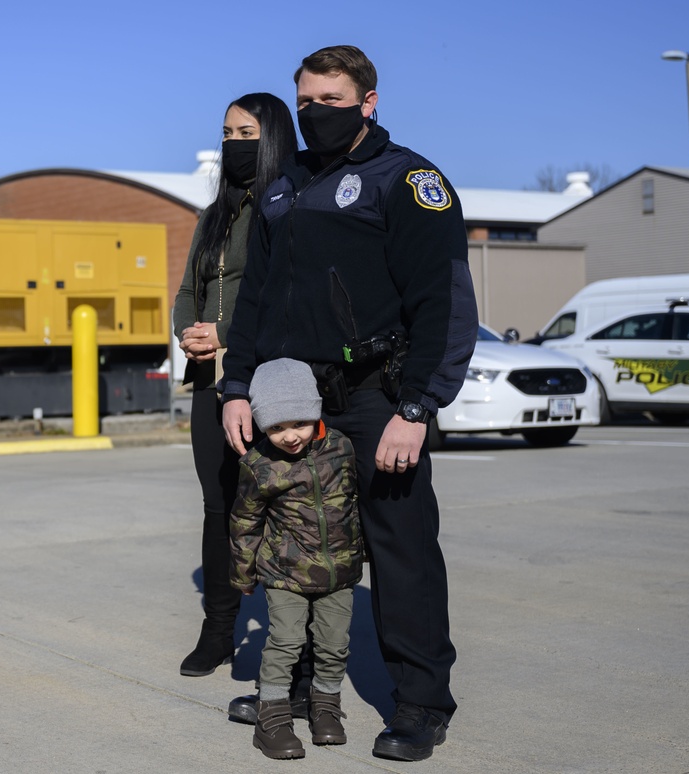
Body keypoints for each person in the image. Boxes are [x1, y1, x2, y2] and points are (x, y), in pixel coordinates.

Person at [220, 45, 478, 762]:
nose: (313, 115)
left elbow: (443, 302)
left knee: (401, 552)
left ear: (368, 102)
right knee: (302, 544)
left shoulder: (409, 180)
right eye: (303, 102)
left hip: (376, 396)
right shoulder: (284, 186)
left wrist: (417, 408)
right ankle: (306, 685)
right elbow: (255, 304)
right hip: (297, 400)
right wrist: (237, 387)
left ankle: (422, 703)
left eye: (329, 102)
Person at [173, 93, 297, 677]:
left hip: (265, 377)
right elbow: (186, 292)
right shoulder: (213, 213)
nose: (233, 144)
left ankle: (290, 642)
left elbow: (281, 295)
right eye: (226, 132)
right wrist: (188, 334)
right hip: (209, 381)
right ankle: (219, 629)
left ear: (272, 136)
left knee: (277, 508)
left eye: (246, 133)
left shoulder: (288, 203)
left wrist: (224, 333)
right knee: (218, 505)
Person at [230, 358, 365, 760]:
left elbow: (354, 505)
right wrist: (242, 574)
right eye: (276, 427)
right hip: (284, 573)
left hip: (338, 572)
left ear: (315, 412)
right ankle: (271, 716)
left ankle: (325, 710)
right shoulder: (259, 466)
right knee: (286, 641)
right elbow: (244, 522)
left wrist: (360, 553)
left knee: (334, 644)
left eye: (298, 424)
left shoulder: (341, 448)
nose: (289, 436)